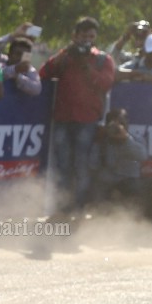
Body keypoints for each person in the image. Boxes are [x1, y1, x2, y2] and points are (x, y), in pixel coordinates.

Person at [39, 16, 116, 217]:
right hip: (64, 118)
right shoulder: (66, 55)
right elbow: (44, 73)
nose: (87, 40)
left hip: (88, 120)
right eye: (83, 36)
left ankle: (79, 209)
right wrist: (65, 54)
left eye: (91, 36)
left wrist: (86, 66)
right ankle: (61, 209)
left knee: (82, 166)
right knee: (62, 165)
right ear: (75, 36)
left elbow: (106, 84)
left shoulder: (102, 59)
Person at [88, 108, 147, 211]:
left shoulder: (136, 139)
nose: (117, 127)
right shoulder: (102, 140)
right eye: (113, 124)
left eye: (121, 123)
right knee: (96, 190)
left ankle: (132, 219)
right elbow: (93, 164)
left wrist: (126, 139)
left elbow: (143, 156)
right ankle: (98, 217)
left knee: (135, 189)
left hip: (129, 180)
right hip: (106, 180)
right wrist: (99, 141)